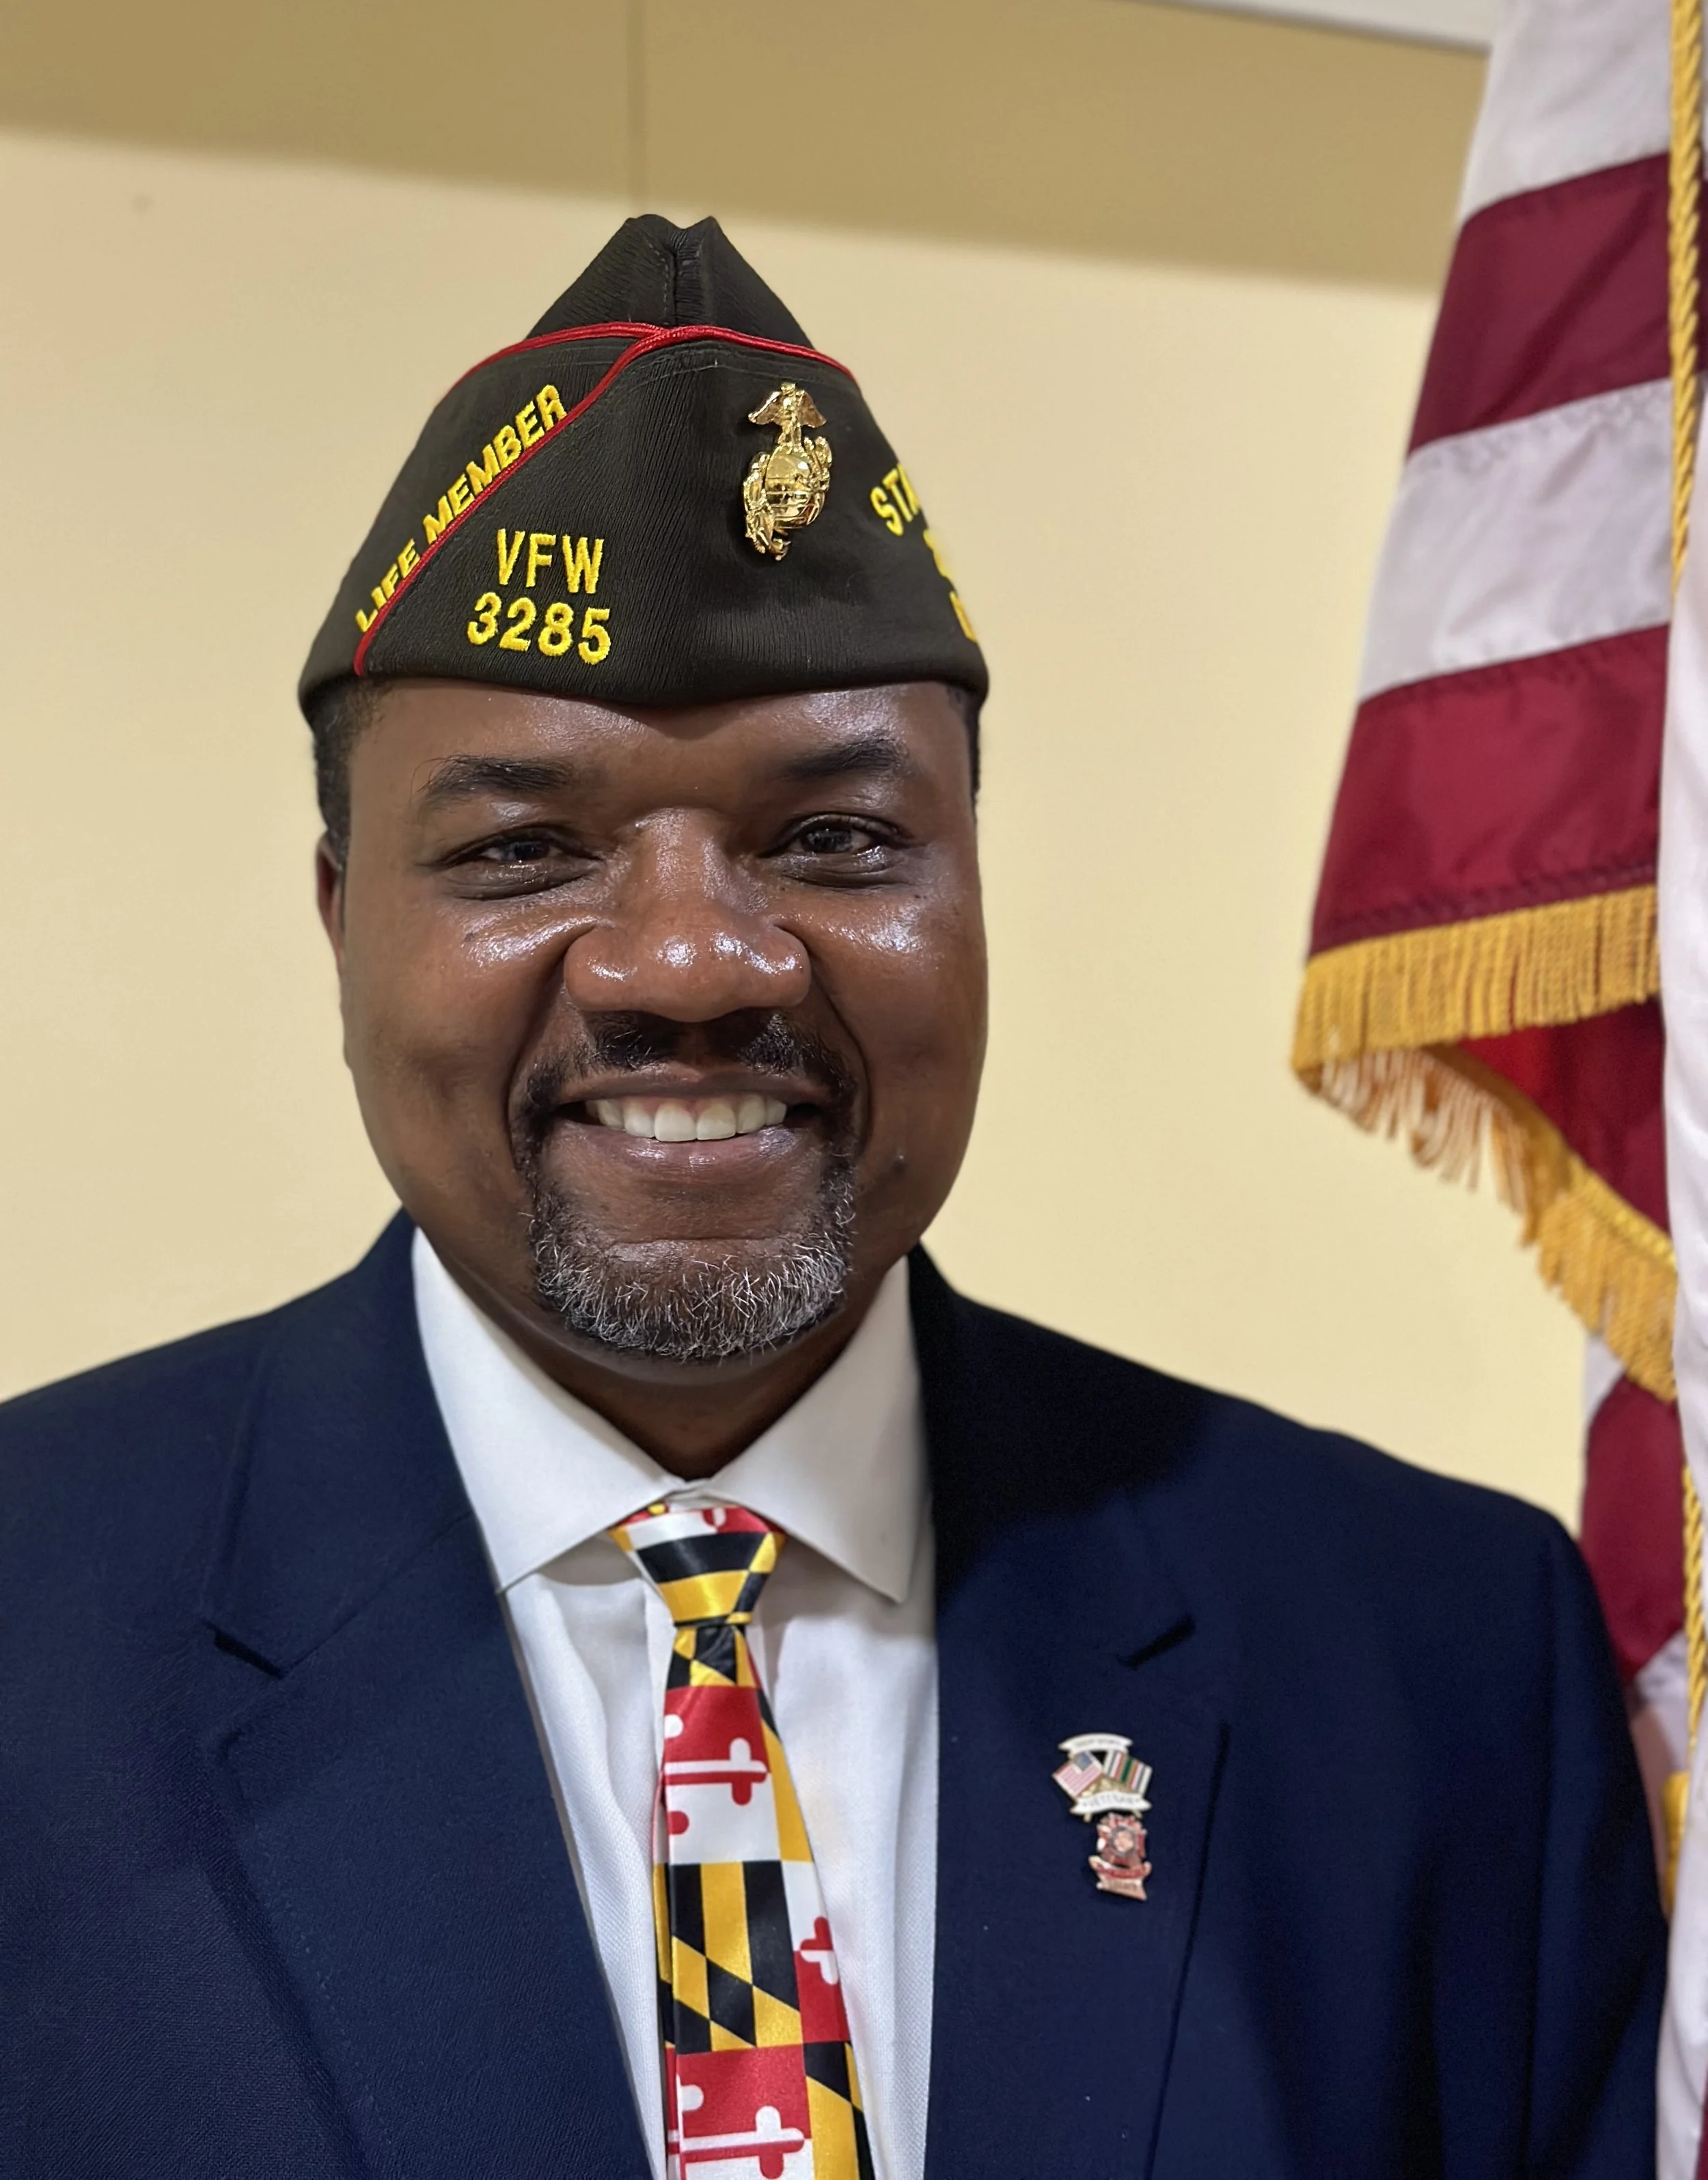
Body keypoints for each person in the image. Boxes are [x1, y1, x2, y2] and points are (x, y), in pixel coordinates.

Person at [0, 215, 1662, 2180]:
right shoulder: (37, 1623)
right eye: (527, 847)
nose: (691, 961)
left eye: (835, 838)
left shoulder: (1428, 1661)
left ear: (972, 894)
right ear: (338, 917)